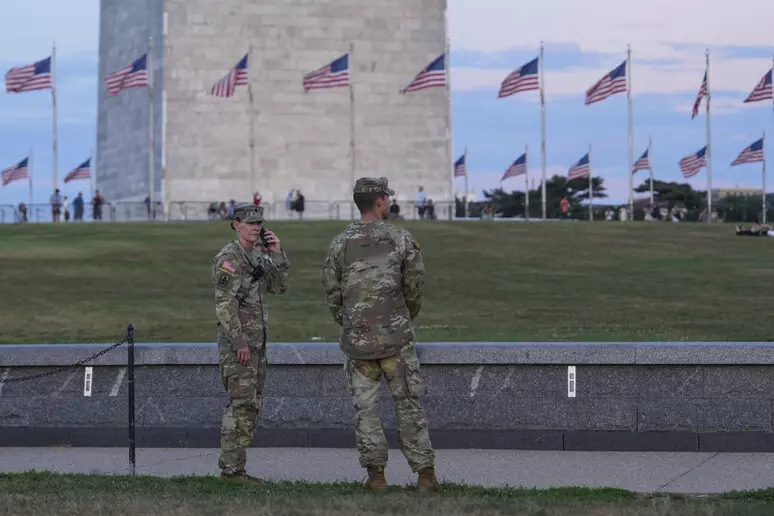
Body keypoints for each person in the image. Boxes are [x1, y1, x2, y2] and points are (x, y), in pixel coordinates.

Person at [321, 177, 440, 492]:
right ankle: (425, 476)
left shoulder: (339, 243)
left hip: (358, 343)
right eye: (387, 197)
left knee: (366, 412)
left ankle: (377, 478)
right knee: (410, 407)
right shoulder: (401, 238)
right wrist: (402, 318)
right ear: (379, 201)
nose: (389, 202)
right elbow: (415, 287)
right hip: (396, 340)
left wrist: (351, 322)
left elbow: (333, 295)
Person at [212, 202, 290, 484]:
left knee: (251, 405)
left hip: (257, 344)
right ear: (236, 225)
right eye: (250, 223)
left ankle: (236, 469)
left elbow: (279, 286)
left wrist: (277, 253)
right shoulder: (229, 259)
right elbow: (224, 305)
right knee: (240, 404)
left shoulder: (257, 255)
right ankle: (231, 471)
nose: (256, 227)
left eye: (259, 223)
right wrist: (239, 342)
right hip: (240, 346)